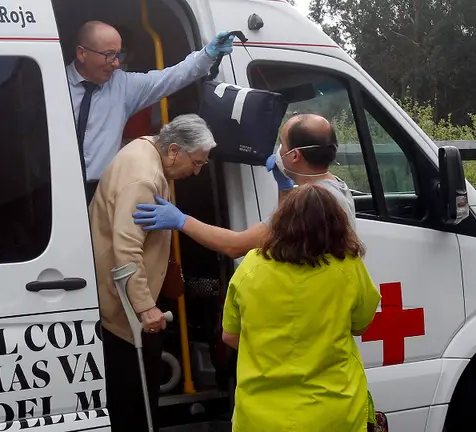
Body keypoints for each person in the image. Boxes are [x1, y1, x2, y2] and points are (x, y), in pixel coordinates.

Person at [90, 114, 216, 431]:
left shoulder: (145, 149)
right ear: (174, 150)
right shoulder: (144, 178)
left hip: (122, 302)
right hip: (126, 315)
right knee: (136, 405)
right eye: (197, 162)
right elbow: (127, 249)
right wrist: (146, 307)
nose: (197, 171)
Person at [221, 183, 381, 431]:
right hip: (333, 411)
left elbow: (230, 334)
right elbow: (361, 326)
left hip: (260, 416)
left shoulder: (250, 266)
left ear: (281, 222)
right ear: (336, 225)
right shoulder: (348, 267)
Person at [132, 113, 355, 258]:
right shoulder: (335, 187)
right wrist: (284, 187)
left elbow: (236, 245)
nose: (278, 149)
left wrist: (181, 220)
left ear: (295, 155)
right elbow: (287, 227)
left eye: (283, 144)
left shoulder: (313, 204)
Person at [67, 20, 235, 202]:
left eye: (118, 55)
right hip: (53, 188)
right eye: (109, 55)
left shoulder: (123, 85)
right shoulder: (49, 83)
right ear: (81, 53)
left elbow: (170, 78)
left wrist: (206, 56)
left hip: (101, 192)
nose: (116, 63)